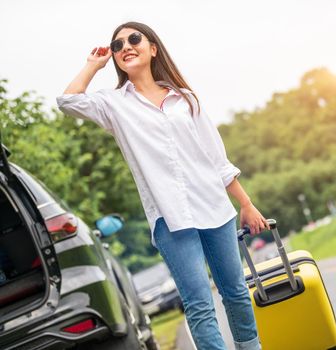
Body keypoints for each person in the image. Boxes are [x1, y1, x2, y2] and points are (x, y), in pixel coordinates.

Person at [56, 21, 267, 350]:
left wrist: (247, 204)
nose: (126, 46)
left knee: (236, 292)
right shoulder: (114, 105)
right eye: (118, 45)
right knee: (199, 305)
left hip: (215, 208)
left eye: (134, 39)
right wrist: (93, 65)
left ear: (153, 47)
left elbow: (217, 160)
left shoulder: (186, 99)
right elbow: (67, 101)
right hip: (171, 220)